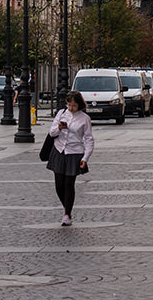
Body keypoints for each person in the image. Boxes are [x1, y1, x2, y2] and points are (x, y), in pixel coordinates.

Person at [47, 90, 94, 227]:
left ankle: (67, 214)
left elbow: (89, 139)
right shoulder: (61, 114)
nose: (71, 108)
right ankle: (66, 206)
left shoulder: (85, 118)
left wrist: (85, 157)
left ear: (79, 105)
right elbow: (51, 132)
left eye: (73, 106)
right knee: (59, 184)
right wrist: (59, 128)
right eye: (69, 105)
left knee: (69, 184)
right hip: (59, 149)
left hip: (75, 152)